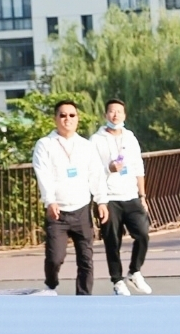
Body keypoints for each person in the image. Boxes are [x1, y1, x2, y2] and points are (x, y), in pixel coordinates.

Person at [32, 100, 108, 296]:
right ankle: (51, 283)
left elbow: (96, 174)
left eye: (72, 115)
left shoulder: (85, 145)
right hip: (58, 211)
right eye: (63, 115)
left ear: (77, 119)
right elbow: (43, 174)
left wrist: (101, 200)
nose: (67, 119)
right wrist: (50, 200)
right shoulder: (45, 144)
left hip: (82, 209)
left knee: (86, 259)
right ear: (55, 119)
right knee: (55, 258)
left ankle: (83, 299)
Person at [93, 99, 151, 296]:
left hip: (131, 195)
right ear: (105, 115)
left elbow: (138, 167)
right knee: (112, 241)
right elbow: (90, 171)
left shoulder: (130, 137)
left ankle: (134, 271)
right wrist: (108, 169)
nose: (115, 115)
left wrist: (142, 195)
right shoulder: (96, 140)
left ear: (124, 116)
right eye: (111, 111)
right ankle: (117, 280)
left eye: (119, 112)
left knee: (142, 233)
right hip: (109, 197)